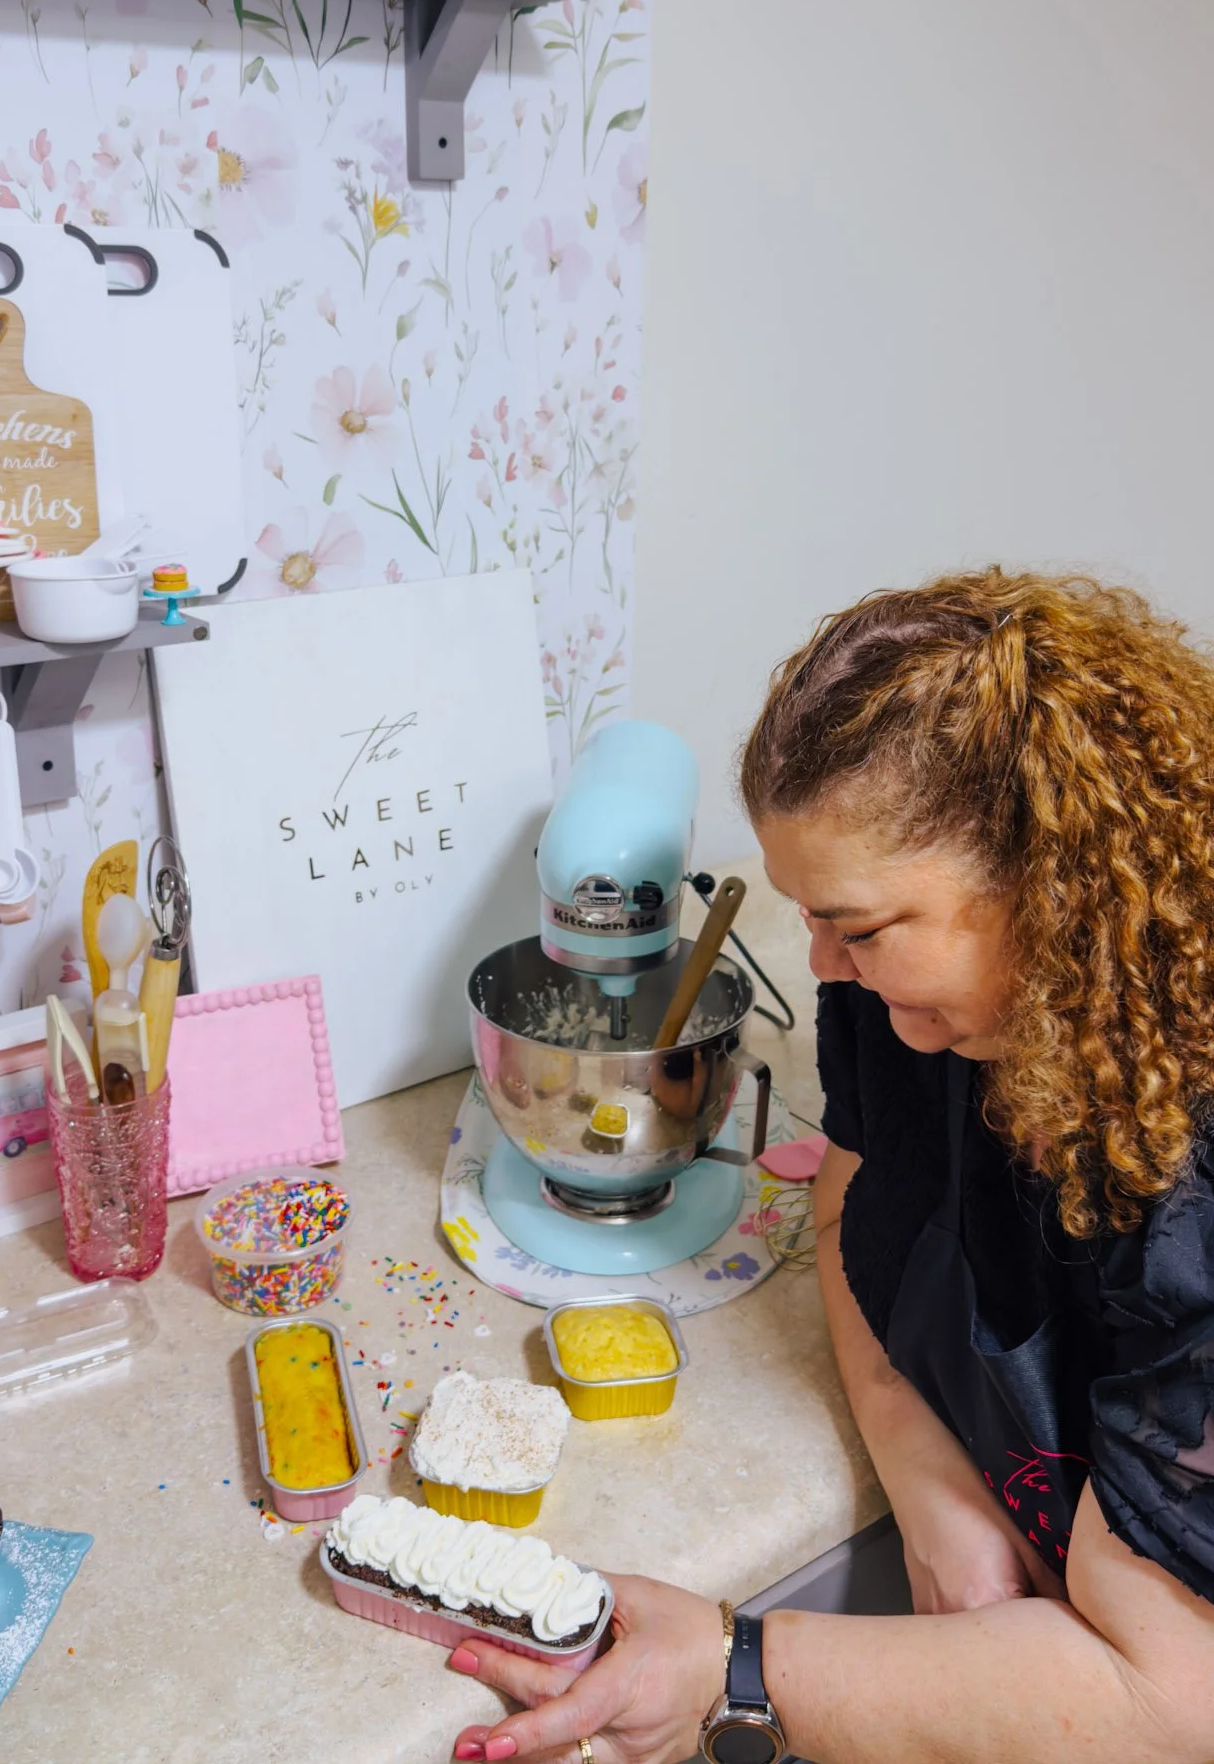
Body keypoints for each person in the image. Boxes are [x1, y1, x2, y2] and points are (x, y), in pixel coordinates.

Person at [451, 571, 1214, 1764]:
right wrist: (926, 1476)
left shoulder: (1190, 1190)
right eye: (809, 917)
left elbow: (1171, 1699)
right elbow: (852, 1182)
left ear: (1052, 888)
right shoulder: (915, 1007)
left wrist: (731, 1666)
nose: (821, 962)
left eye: (853, 926)